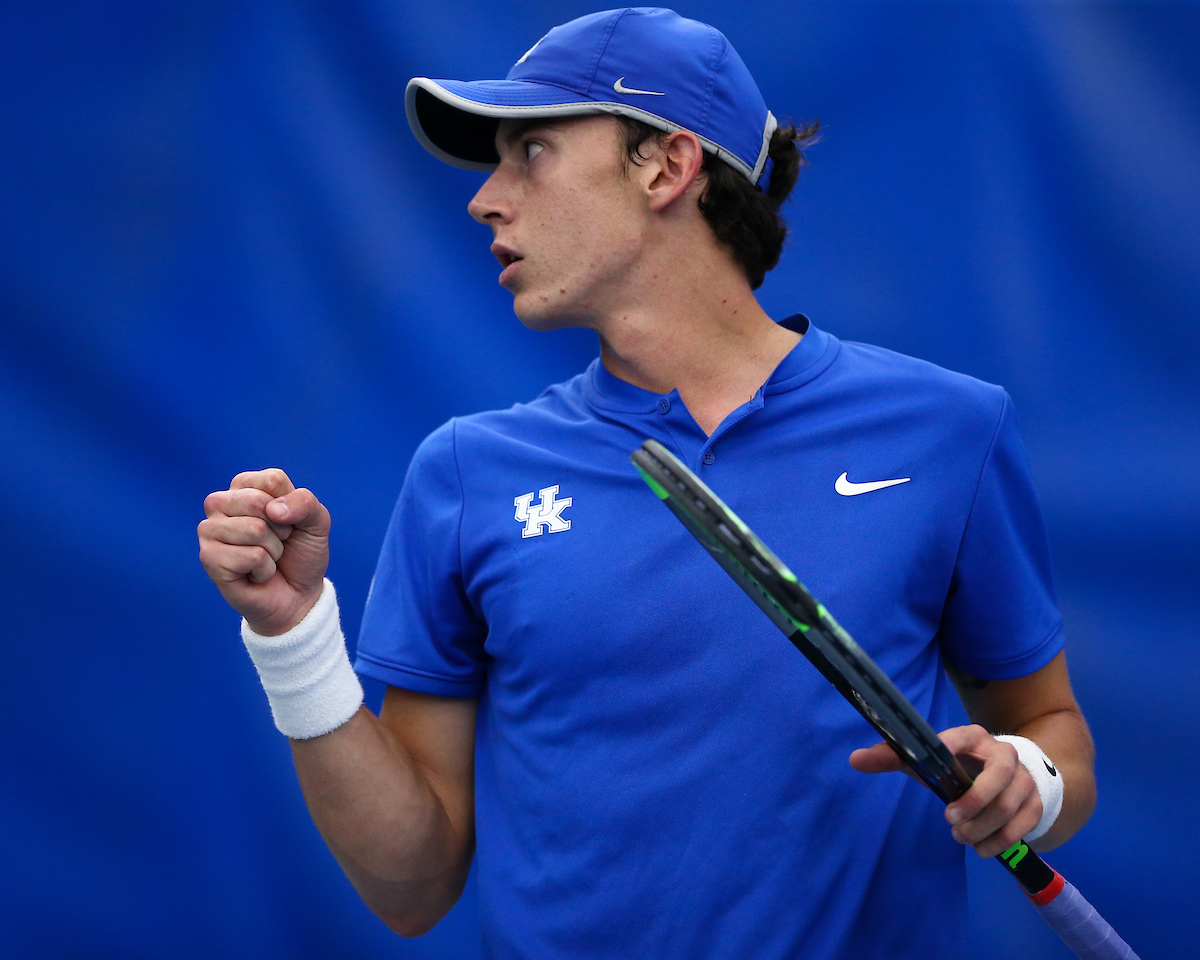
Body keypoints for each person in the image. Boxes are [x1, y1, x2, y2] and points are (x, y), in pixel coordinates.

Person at [198, 8, 1096, 958]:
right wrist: (292, 638)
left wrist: (1029, 781)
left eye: (531, 150)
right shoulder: (466, 471)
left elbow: (1049, 728)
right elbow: (413, 888)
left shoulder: (951, 429)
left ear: (666, 168)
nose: (485, 199)